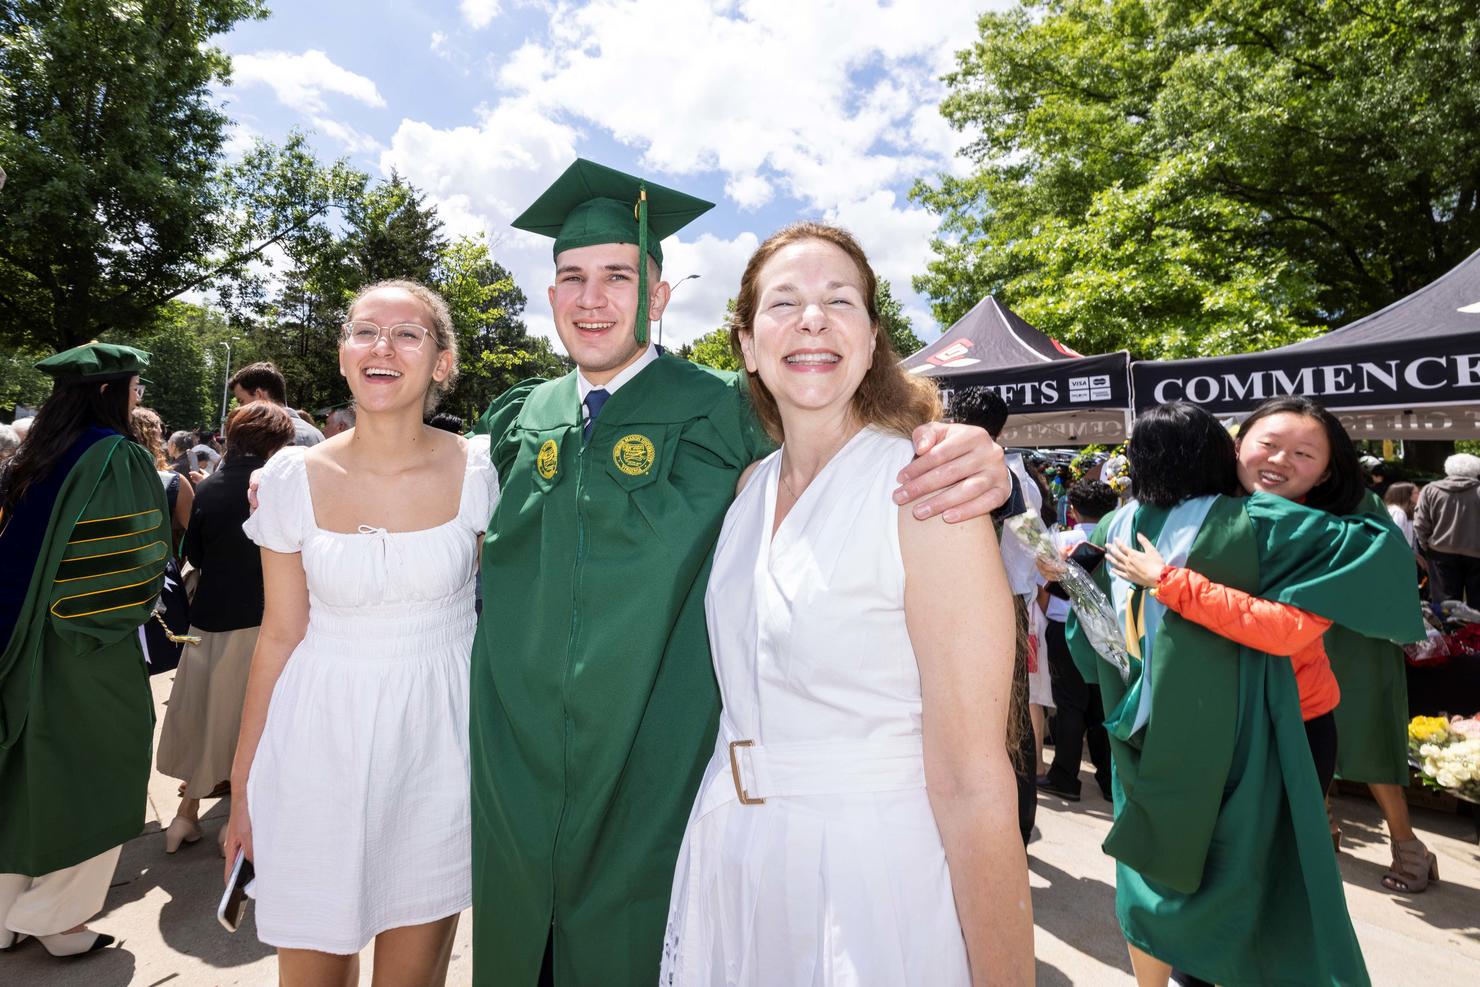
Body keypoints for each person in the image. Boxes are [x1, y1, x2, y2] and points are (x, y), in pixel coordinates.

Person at [467, 159, 1010, 986]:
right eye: (571, 277)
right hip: (534, 787)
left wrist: (976, 456)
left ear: (660, 294)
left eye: (619, 275)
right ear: (549, 296)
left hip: (664, 787)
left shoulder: (723, 411)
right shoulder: (519, 419)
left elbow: (858, 441)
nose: (592, 298)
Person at [660, 223, 1032, 984]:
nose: (812, 319)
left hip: (869, 876)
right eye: (784, 302)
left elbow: (972, 778)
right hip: (734, 859)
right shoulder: (746, 491)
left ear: (871, 341)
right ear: (747, 345)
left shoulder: (921, 487)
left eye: (840, 300)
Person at [1065, 401, 1422, 987]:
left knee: (1260, 873)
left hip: (1289, 726)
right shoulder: (1167, 518)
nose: (1280, 460)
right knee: (1191, 866)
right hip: (1186, 725)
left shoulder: (1299, 531)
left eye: (1304, 453)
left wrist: (1172, 585)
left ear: (1328, 472)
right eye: (1268, 444)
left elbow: (1286, 631)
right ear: (1235, 444)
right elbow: (1108, 631)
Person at [224, 279, 497, 986]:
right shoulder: (290, 477)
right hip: (317, 740)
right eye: (366, 331)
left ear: (441, 361)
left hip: (439, 747)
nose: (384, 346)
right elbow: (280, 634)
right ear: (344, 356)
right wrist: (244, 781)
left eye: (409, 333)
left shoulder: (481, 469)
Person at [0, 343, 167, 957]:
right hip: (83, 643)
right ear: (108, 392)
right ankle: (59, 919)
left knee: (25, 770)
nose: (138, 397)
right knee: (99, 767)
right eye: (135, 386)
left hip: (16, 641)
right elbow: (130, 567)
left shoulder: (33, 456)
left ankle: (4, 911)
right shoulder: (116, 456)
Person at [156, 401, 296, 855]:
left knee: (203, 718)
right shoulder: (280, 487)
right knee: (247, 725)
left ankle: (185, 815)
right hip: (258, 620)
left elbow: (191, 549)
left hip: (206, 618)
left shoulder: (210, 486)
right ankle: (235, 826)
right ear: (277, 442)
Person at [951, 385, 1043, 843]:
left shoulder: (1000, 475)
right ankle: (1015, 823)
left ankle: (1011, 826)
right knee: (1005, 715)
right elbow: (1036, 548)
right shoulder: (1019, 475)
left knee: (1004, 718)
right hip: (1007, 601)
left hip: (988, 603)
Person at [1037, 479, 1118, 802]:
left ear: (1072, 509)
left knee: (1070, 703)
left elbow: (1041, 585)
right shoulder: (1119, 535)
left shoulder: (1060, 539)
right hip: (1110, 630)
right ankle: (1109, 777)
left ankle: (1065, 776)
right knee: (1102, 704)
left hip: (1064, 625)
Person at [1415, 453, 1480, 605]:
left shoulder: (1430, 490)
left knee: (1445, 602)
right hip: (1477, 553)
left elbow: (1420, 523)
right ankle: (1474, 628)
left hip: (1440, 552)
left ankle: (1449, 629)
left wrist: (1426, 546)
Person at [229, 361, 325, 447]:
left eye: (241, 401)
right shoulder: (318, 435)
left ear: (259, 395)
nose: (239, 409)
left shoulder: (259, 438)